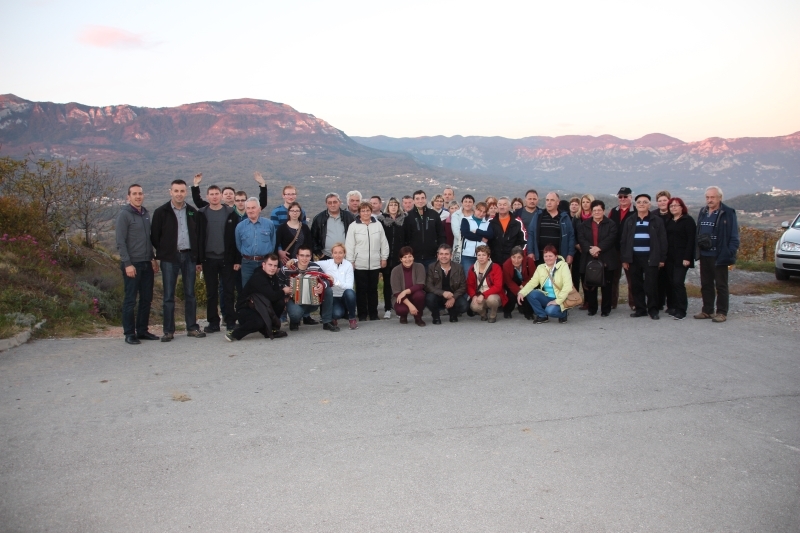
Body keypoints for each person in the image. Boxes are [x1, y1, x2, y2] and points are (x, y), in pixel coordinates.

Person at [150, 179, 206, 341]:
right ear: (171, 192)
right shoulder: (161, 212)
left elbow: (198, 236)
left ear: (185, 193)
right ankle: (168, 331)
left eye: (182, 191)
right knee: (169, 295)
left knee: (190, 293)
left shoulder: (192, 212)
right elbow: (155, 236)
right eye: (176, 191)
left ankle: (192, 327)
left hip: (189, 257)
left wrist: (198, 259)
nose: (179, 194)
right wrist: (165, 250)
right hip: (170, 257)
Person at [116, 184, 159, 345]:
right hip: (132, 264)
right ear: (128, 197)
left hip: (146, 262)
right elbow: (120, 241)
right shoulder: (124, 215)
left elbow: (148, 239)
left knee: (146, 299)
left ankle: (142, 330)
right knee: (130, 300)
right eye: (134, 194)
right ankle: (129, 333)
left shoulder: (145, 214)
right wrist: (127, 263)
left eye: (140, 193)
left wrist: (153, 258)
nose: (138, 196)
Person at [694, 186, 739, 323]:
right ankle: (707, 310)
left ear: (720, 197)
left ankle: (721, 312)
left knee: (721, 285)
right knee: (706, 284)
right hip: (705, 254)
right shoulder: (703, 211)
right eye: (707, 197)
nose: (709, 200)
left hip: (719, 254)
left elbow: (734, 235)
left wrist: (730, 252)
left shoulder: (728, 212)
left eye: (712, 197)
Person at [620, 194, 668, 320]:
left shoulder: (656, 220)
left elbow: (663, 240)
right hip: (634, 257)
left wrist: (662, 258)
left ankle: (653, 309)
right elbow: (624, 240)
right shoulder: (630, 220)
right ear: (636, 205)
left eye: (645, 202)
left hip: (650, 257)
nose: (642, 204)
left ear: (649, 205)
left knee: (651, 285)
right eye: (639, 202)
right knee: (636, 285)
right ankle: (640, 309)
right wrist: (625, 259)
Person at [197, 184, 234, 334]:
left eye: (216, 194)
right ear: (207, 197)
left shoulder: (230, 212)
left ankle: (230, 321)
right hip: (209, 259)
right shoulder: (202, 213)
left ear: (221, 196)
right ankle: (213, 322)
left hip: (226, 259)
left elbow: (234, 238)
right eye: (211, 194)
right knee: (211, 293)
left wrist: (235, 259)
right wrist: (198, 260)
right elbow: (198, 237)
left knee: (229, 291)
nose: (214, 196)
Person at [225, 254, 289, 341]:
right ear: (263, 265)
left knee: (280, 303)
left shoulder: (272, 276)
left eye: (275, 266)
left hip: (260, 306)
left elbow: (275, 295)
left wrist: (283, 296)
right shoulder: (258, 277)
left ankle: (271, 329)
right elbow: (272, 296)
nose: (273, 268)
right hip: (246, 308)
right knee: (259, 322)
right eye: (270, 265)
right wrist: (284, 291)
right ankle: (234, 333)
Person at [346, 201, 389, 321]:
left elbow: (383, 243)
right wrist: (351, 261)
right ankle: (362, 314)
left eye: (368, 210)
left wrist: (384, 257)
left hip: (375, 263)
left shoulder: (378, 225)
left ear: (371, 211)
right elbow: (350, 245)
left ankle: (373, 313)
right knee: (361, 290)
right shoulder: (353, 226)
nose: (365, 213)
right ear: (359, 212)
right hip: (359, 264)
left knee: (373, 289)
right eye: (363, 211)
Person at [577, 200, 618, 317]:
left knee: (607, 286)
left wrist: (599, 248)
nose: (597, 212)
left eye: (599, 210)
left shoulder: (611, 224)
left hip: (607, 258)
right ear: (591, 211)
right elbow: (581, 238)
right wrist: (590, 250)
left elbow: (611, 238)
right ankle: (592, 308)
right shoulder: (584, 225)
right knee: (591, 285)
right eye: (594, 210)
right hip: (589, 257)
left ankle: (605, 309)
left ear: (603, 211)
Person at [279, 245, 331, 331]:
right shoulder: (286, 269)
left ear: (310, 257)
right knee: (295, 314)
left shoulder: (315, 267)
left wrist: (322, 285)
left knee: (328, 290)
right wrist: (285, 291)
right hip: (293, 300)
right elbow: (278, 283)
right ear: (297, 256)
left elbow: (327, 280)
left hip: (312, 300)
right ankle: (295, 320)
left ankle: (327, 322)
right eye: (302, 255)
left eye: (307, 256)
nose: (304, 258)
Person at [517, 244, 573, 324]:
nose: (548, 258)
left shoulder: (563, 266)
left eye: (550, 256)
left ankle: (563, 314)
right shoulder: (541, 267)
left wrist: (557, 301)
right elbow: (533, 282)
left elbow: (568, 286)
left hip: (561, 298)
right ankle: (542, 316)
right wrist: (522, 292)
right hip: (547, 296)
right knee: (531, 293)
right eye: (545, 256)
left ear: (556, 257)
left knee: (550, 311)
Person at [665, 197, 696, 320]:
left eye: (676, 205)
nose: (673, 208)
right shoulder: (669, 221)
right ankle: (672, 306)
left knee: (678, 282)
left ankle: (681, 309)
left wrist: (687, 257)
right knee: (670, 282)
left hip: (682, 257)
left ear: (682, 207)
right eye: (671, 206)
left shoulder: (688, 220)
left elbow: (691, 240)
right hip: (669, 257)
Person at [235, 197, 276, 287]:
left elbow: (273, 242)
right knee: (247, 289)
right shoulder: (240, 226)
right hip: (247, 264)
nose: (250, 210)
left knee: (266, 288)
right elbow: (239, 245)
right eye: (248, 208)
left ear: (259, 209)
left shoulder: (269, 224)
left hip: (265, 263)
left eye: (253, 208)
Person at [317, 243, 358, 330]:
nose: (338, 255)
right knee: (337, 313)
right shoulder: (327, 263)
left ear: (344, 254)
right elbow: (309, 263)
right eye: (335, 253)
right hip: (333, 296)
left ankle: (352, 318)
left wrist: (335, 281)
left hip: (345, 295)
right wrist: (294, 261)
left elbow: (349, 286)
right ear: (332, 254)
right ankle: (338, 314)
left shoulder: (348, 265)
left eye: (340, 253)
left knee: (350, 293)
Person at [527, 192, 574, 266]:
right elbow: (531, 234)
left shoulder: (564, 218)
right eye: (547, 200)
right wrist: (530, 252)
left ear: (558, 202)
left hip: (559, 258)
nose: (549, 202)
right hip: (540, 258)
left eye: (552, 200)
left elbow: (571, 236)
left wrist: (570, 254)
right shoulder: (538, 216)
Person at [424, 244, 468, 324]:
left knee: (464, 306)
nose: (444, 256)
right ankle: (435, 315)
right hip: (438, 295)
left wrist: (453, 298)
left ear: (451, 255)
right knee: (429, 298)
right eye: (441, 254)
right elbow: (428, 286)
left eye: (446, 254)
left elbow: (463, 287)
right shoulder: (431, 267)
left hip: (452, 295)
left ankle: (453, 312)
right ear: (438, 255)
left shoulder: (458, 267)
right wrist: (443, 293)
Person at [403, 190, 444, 269]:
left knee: (432, 277)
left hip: (432, 256)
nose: (420, 201)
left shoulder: (434, 214)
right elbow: (405, 237)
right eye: (417, 198)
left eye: (422, 198)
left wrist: (440, 252)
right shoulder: (408, 216)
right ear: (413, 201)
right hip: (414, 257)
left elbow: (441, 235)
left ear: (426, 199)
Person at [609, 187, 635, 310]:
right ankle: (612, 302)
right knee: (614, 277)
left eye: (625, 196)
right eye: (620, 197)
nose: (623, 199)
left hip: (630, 250)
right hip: (614, 249)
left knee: (632, 278)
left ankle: (633, 303)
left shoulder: (635, 211)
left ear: (631, 197)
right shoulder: (613, 211)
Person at [380, 197, 406, 319]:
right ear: (388, 207)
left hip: (400, 257)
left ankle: (399, 307)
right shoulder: (382, 220)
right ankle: (387, 308)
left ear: (399, 206)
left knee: (400, 284)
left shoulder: (404, 220)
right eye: (391, 205)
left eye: (395, 205)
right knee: (387, 284)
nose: (393, 207)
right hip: (387, 257)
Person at [466, 245, 506, 323]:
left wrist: (483, 295)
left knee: (492, 300)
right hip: (479, 294)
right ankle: (483, 314)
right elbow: (469, 285)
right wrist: (473, 296)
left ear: (488, 256)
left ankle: (493, 315)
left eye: (484, 255)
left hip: (493, 294)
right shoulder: (472, 268)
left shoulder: (496, 267)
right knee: (474, 306)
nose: (481, 257)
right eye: (479, 255)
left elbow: (498, 286)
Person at [310, 192, 356, 260]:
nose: (332, 205)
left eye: (335, 202)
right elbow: (312, 238)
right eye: (329, 203)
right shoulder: (319, 218)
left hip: (346, 256)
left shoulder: (349, 217)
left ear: (340, 202)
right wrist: (319, 254)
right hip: (326, 257)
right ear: (326, 204)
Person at [391, 246, 428, 326]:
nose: (408, 259)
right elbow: (396, 292)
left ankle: (418, 318)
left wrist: (405, 291)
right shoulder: (395, 270)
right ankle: (403, 316)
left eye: (410, 256)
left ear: (413, 257)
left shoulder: (420, 267)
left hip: (415, 295)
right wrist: (410, 305)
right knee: (401, 310)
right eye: (405, 257)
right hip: (400, 297)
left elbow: (420, 284)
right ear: (401, 259)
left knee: (420, 295)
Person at [192, 171, 267, 210]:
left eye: (230, 193)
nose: (228, 195)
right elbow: (199, 202)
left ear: (235, 196)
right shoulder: (216, 208)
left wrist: (262, 185)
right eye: (226, 194)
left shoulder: (243, 208)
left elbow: (261, 204)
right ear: (222, 197)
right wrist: (196, 185)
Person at [487, 196, 527, 267]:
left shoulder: (517, 222)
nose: (502, 207)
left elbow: (524, 241)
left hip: (512, 261)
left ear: (509, 207)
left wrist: (517, 255)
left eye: (504, 205)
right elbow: (486, 241)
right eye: (500, 204)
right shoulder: (490, 222)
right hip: (494, 260)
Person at [502, 246, 536, 319]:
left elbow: (533, 277)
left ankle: (528, 313)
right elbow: (508, 281)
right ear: (510, 257)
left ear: (523, 257)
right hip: (513, 282)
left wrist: (523, 286)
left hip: (526, 282)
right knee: (511, 295)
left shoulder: (529, 261)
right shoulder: (506, 265)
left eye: (519, 257)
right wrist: (518, 291)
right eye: (513, 257)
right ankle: (507, 311)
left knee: (527, 294)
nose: (516, 260)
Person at [573, 193, 595, 309]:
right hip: (579, 252)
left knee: (591, 276)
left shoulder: (596, 216)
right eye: (583, 202)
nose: (585, 204)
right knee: (580, 276)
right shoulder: (577, 218)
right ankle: (581, 300)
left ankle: (591, 301)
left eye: (588, 202)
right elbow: (572, 233)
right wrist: (577, 245)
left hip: (592, 251)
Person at [460, 201, 493, 271]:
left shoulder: (488, 223)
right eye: (479, 211)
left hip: (483, 255)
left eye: (484, 212)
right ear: (475, 209)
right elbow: (466, 234)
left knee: (482, 276)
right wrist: (481, 238)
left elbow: (490, 235)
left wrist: (477, 231)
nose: (481, 214)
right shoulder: (466, 220)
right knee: (468, 275)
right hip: (468, 254)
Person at [654, 190, 672, 311]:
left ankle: (671, 305)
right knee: (658, 279)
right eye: (659, 201)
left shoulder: (674, 214)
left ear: (669, 201)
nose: (662, 203)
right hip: (657, 251)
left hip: (671, 251)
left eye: (664, 200)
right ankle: (658, 303)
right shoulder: (653, 215)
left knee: (670, 279)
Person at [450, 194, 474, 264]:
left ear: (473, 203)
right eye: (465, 201)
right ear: (462, 203)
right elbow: (457, 233)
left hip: (475, 248)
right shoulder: (456, 215)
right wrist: (474, 236)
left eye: (470, 202)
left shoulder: (476, 214)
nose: (467, 204)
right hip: (460, 247)